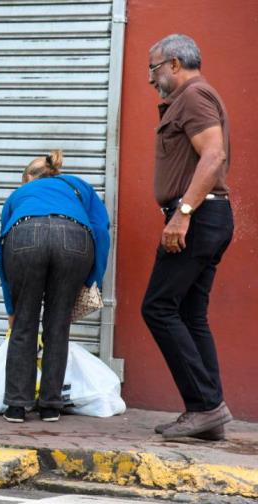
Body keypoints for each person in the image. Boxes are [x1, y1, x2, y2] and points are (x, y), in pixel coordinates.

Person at [141, 34, 234, 440]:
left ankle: (204, 406)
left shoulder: (194, 96)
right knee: (190, 313)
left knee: (158, 307)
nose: (151, 78)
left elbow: (214, 155)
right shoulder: (193, 97)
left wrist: (182, 215)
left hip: (196, 216)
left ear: (174, 63)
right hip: (206, 215)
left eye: (154, 68)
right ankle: (209, 410)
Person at [0, 150, 110, 423]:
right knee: (58, 325)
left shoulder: (17, 196)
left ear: (27, 178)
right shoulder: (79, 187)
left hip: (25, 236)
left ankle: (16, 406)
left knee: (24, 324)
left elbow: (1, 250)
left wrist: (12, 307)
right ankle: (50, 406)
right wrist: (91, 280)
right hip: (75, 238)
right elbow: (102, 231)